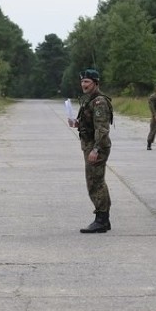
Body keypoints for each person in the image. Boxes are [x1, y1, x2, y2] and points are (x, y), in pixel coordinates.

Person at [68, 69, 113, 233]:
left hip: (97, 147)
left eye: (87, 82)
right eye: (82, 82)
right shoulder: (90, 100)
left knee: (95, 183)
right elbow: (91, 124)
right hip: (90, 145)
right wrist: (78, 124)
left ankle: (101, 220)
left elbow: (102, 129)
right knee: (95, 181)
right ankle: (104, 219)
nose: (83, 85)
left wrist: (95, 150)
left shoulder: (99, 102)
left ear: (95, 83)